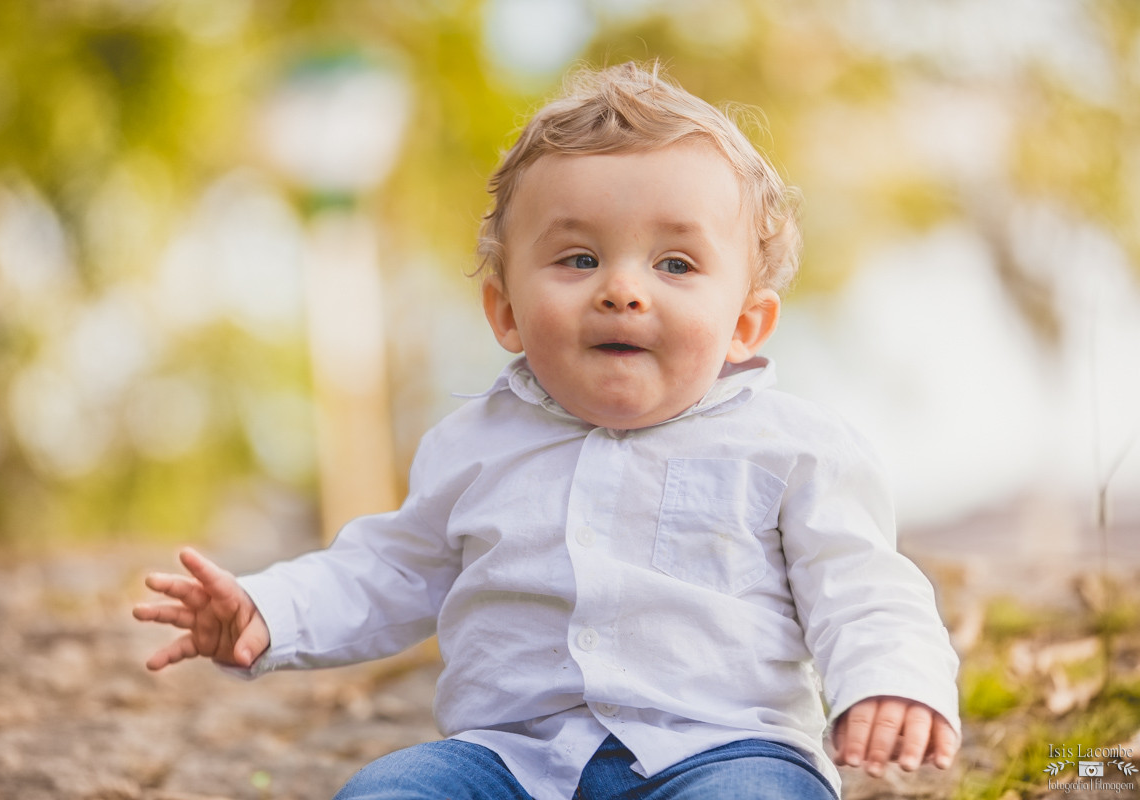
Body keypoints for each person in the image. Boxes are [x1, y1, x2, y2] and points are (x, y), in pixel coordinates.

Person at [134, 61, 960, 800]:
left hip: (724, 753)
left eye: (675, 265)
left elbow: (863, 586)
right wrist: (266, 612)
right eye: (577, 259)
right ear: (505, 311)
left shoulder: (793, 449)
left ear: (747, 323)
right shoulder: (471, 447)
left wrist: (893, 681)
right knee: (386, 791)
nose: (623, 290)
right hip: (507, 762)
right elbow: (384, 568)